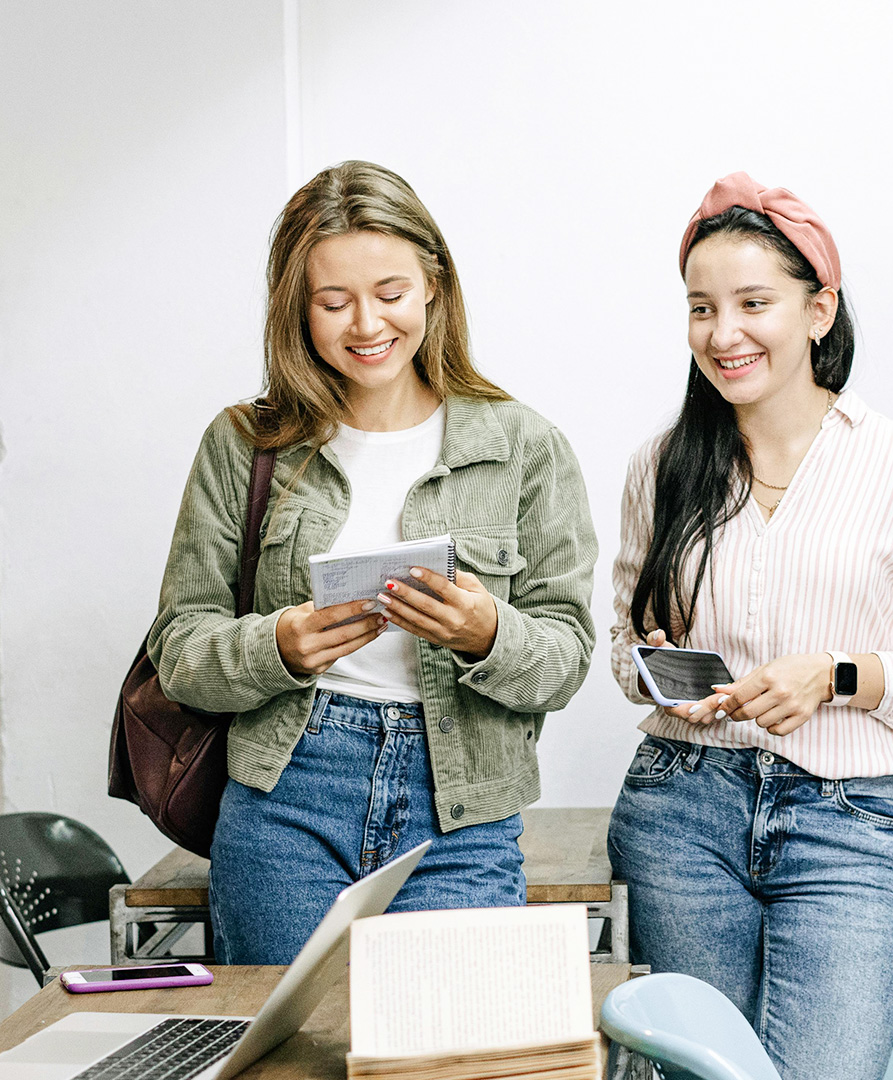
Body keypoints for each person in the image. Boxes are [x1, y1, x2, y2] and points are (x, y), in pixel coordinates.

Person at [148, 160, 598, 964]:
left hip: (461, 808)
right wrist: (278, 646)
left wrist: (488, 632)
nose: (366, 324)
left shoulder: (524, 447)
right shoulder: (243, 446)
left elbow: (565, 661)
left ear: (433, 284)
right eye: (333, 302)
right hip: (287, 797)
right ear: (297, 308)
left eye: (389, 293)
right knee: (292, 1055)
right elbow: (180, 651)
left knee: (445, 1050)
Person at [607, 172, 893, 1080]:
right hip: (681, 808)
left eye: (754, 303)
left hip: (850, 819)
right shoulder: (661, 466)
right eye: (701, 308)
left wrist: (835, 675)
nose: (723, 332)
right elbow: (627, 648)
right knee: (701, 1072)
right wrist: (657, 666)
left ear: (819, 311)